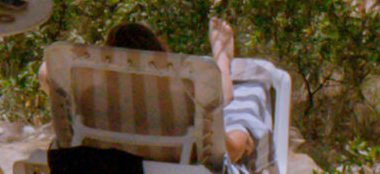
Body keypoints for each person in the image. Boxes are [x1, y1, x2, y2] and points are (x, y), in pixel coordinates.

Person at [62, 18, 270, 170]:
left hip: (112, 166)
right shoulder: (182, 95)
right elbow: (230, 151)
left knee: (220, 102)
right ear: (161, 57)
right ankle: (222, 63)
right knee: (232, 117)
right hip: (177, 167)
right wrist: (242, 139)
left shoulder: (91, 98)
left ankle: (222, 63)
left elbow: (47, 72)